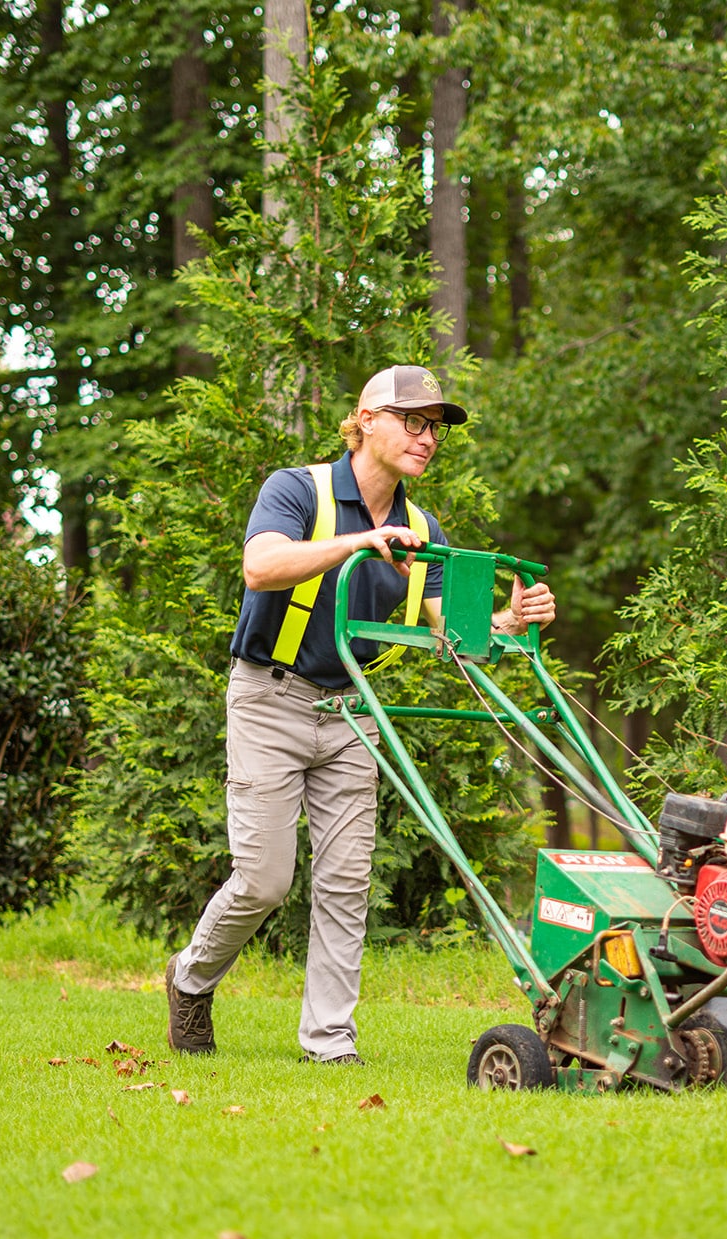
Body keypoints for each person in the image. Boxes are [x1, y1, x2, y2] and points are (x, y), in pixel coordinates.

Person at [164, 365, 556, 1062]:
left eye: (435, 427)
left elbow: (451, 635)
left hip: (353, 710)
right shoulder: (297, 489)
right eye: (414, 420)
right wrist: (354, 544)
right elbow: (260, 567)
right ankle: (190, 978)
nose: (427, 437)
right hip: (271, 697)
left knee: (347, 880)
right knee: (264, 879)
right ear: (365, 418)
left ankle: (328, 1042)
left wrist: (510, 619)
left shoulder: (419, 525)